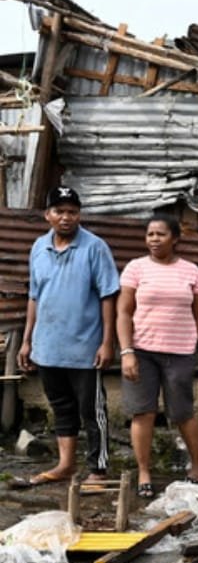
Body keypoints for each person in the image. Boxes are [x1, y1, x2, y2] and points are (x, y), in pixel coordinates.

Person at [18, 186, 120, 486]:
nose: (66, 217)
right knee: (61, 407)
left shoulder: (95, 247)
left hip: (86, 348)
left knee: (92, 410)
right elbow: (35, 297)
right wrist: (27, 340)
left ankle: (98, 470)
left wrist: (107, 341)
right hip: (48, 346)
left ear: (80, 215)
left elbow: (108, 296)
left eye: (72, 212)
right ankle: (65, 465)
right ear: (47, 215)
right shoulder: (38, 247)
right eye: (59, 211)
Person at [116, 213, 198, 498]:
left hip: (181, 352)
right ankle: (145, 472)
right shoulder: (136, 268)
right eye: (150, 234)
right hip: (142, 352)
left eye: (160, 234)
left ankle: (197, 465)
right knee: (143, 412)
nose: (154, 239)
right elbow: (123, 312)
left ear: (175, 238)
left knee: (183, 412)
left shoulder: (191, 271)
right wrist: (126, 352)